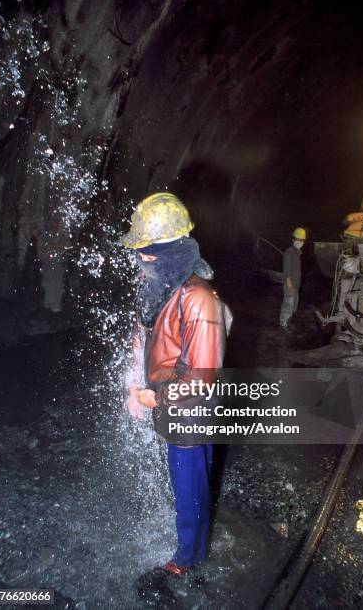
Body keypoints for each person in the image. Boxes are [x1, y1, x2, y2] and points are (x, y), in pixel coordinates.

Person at [122, 192, 231, 578]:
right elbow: (145, 337)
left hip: (190, 411)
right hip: (165, 402)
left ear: (169, 251)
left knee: (190, 489)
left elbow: (202, 377)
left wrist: (154, 396)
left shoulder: (200, 299)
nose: (141, 260)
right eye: (140, 252)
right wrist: (134, 386)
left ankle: (188, 558)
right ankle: (188, 543)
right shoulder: (156, 286)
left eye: (147, 253)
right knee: (178, 482)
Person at [279, 227, 306, 331]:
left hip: (296, 285)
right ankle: (283, 325)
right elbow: (287, 270)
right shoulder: (289, 252)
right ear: (293, 240)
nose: (300, 242)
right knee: (288, 306)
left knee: (293, 306)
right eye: (298, 239)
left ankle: (288, 323)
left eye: (302, 240)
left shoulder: (297, 253)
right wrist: (289, 283)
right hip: (290, 284)